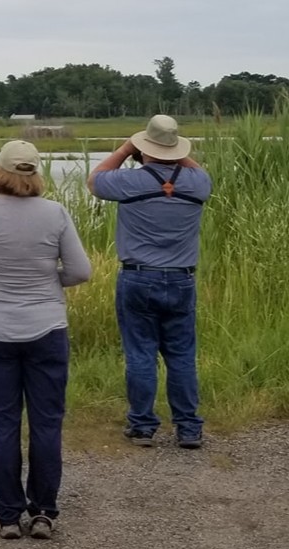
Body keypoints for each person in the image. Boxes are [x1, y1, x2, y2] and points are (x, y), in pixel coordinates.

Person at [0, 140, 91, 541]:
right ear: (36, 173)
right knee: (46, 422)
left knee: (3, 422)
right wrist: (48, 282)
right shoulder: (56, 213)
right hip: (47, 329)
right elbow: (80, 270)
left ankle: (8, 514)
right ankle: (43, 511)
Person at [87, 114, 211, 449]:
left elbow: (95, 179)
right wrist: (172, 150)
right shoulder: (198, 184)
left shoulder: (131, 183)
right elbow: (198, 172)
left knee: (140, 353)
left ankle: (142, 426)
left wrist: (129, 146)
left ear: (144, 148)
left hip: (139, 277)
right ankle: (188, 428)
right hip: (182, 278)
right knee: (182, 355)